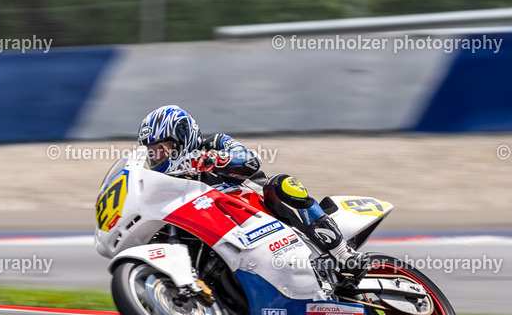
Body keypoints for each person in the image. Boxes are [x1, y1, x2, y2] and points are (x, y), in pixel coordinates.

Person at [138, 104, 370, 286]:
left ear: (183, 137)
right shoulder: (171, 184)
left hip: (262, 213)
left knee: (282, 184)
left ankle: (343, 254)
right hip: (228, 235)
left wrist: (214, 160)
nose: (158, 157)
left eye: (163, 149)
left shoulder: (215, 143)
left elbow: (250, 160)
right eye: (153, 153)